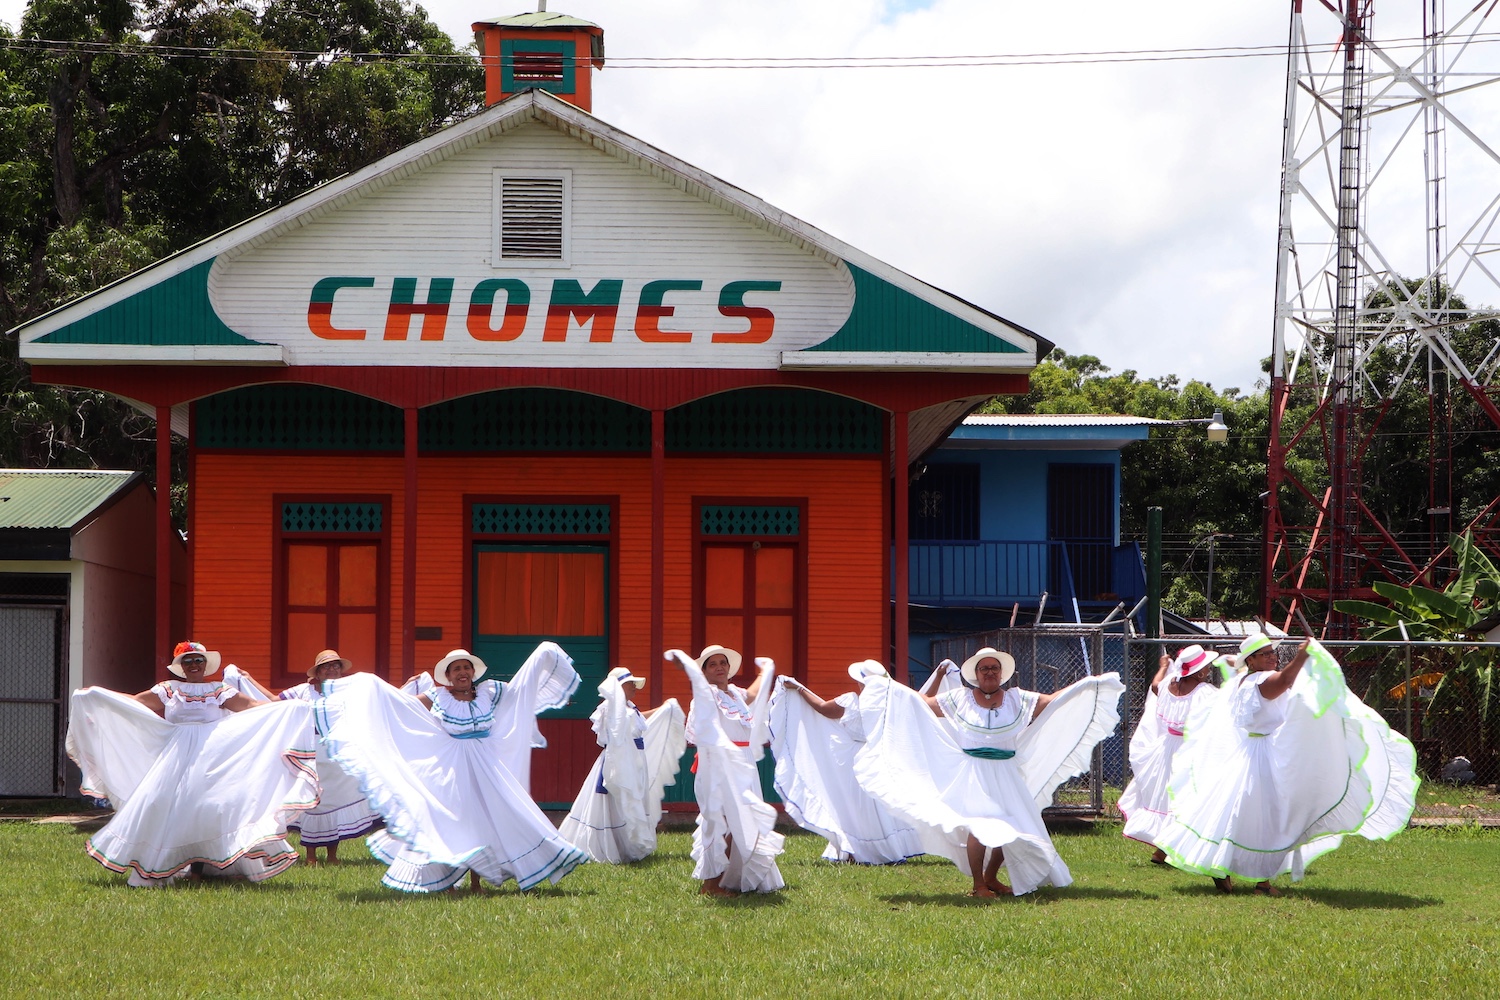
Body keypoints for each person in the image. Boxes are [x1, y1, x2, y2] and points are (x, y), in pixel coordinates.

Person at [1156, 634, 1418, 895]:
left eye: (1273, 652)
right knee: (1272, 815)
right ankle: (1261, 883)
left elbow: (1281, 684)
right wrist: (1302, 655)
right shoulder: (1261, 680)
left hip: (1249, 751)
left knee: (1240, 814)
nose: (1273, 657)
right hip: (1262, 755)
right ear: (1254, 661)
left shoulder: (1243, 680)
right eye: (1266, 654)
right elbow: (1285, 680)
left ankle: (1230, 869)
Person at [853, 647, 1124, 897]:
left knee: (1011, 825)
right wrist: (889, 688)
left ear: (1001, 673)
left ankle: (991, 876)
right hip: (974, 772)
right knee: (980, 827)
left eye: (994, 668)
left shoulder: (1017, 699)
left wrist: (1089, 684)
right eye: (985, 669)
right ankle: (978, 884)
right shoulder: (959, 698)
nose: (990, 672)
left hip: (1006, 771)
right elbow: (922, 704)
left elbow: (1053, 700)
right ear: (976, 674)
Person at [317, 644, 588, 893]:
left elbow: (520, 692)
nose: (463, 672)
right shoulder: (437, 697)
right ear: (448, 675)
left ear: (473, 672)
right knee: (454, 822)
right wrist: (375, 690)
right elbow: (403, 706)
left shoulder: (489, 693)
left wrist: (540, 657)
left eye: (466, 668)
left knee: (484, 820)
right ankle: (448, 882)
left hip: (486, 768)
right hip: (450, 769)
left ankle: (476, 882)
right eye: (456, 668)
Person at [65, 640, 319, 887]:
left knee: (207, 807)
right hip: (175, 754)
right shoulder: (169, 689)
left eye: (199, 660)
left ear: (205, 665)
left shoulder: (218, 690)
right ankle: (160, 863)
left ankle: (202, 868)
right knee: (162, 805)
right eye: (189, 661)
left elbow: (252, 706)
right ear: (182, 666)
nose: (195, 664)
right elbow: (136, 702)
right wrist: (98, 695)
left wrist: (291, 708)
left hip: (212, 754)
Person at [770, 660, 923, 863]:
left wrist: (800, 689)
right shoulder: (889, 707)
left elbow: (822, 708)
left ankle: (856, 849)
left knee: (854, 806)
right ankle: (876, 848)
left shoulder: (852, 701)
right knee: (874, 805)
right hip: (877, 758)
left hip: (854, 759)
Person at [665, 645, 784, 896]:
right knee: (724, 821)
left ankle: (731, 878)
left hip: (743, 762)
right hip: (720, 762)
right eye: (712, 664)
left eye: (723, 663)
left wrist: (765, 670)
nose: (720, 667)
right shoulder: (705, 695)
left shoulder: (734, 694)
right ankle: (712, 883)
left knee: (743, 819)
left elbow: (752, 695)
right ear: (704, 671)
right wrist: (685, 666)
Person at [558, 667, 687, 863]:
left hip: (634, 758)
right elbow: (612, 734)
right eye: (630, 684)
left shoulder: (629, 708)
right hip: (618, 760)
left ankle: (627, 843)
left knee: (631, 799)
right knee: (615, 800)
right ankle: (609, 845)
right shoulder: (609, 709)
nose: (635, 687)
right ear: (619, 687)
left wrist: (663, 709)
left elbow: (639, 720)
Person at [276, 649, 382, 866]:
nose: (332, 669)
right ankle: (311, 857)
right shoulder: (304, 691)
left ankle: (333, 855)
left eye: (336, 666)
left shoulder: (348, 691)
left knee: (335, 801)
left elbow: (377, 701)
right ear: (318, 671)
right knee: (313, 803)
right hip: (311, 752)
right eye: (327, 666)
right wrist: (248, 681)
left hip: (337, 754)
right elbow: (274, 702)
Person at [1117, 644, 1220, 863]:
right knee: (1189, 797)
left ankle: (1161, 851)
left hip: (1166, 747)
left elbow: (1154, 685)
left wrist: (1163, 667)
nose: (1209, 670)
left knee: (1167, 797)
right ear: (1199, 671)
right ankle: (1175, 849)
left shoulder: (1168, 685)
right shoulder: (1204, 693)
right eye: (1207, 667)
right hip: (1188, 749)